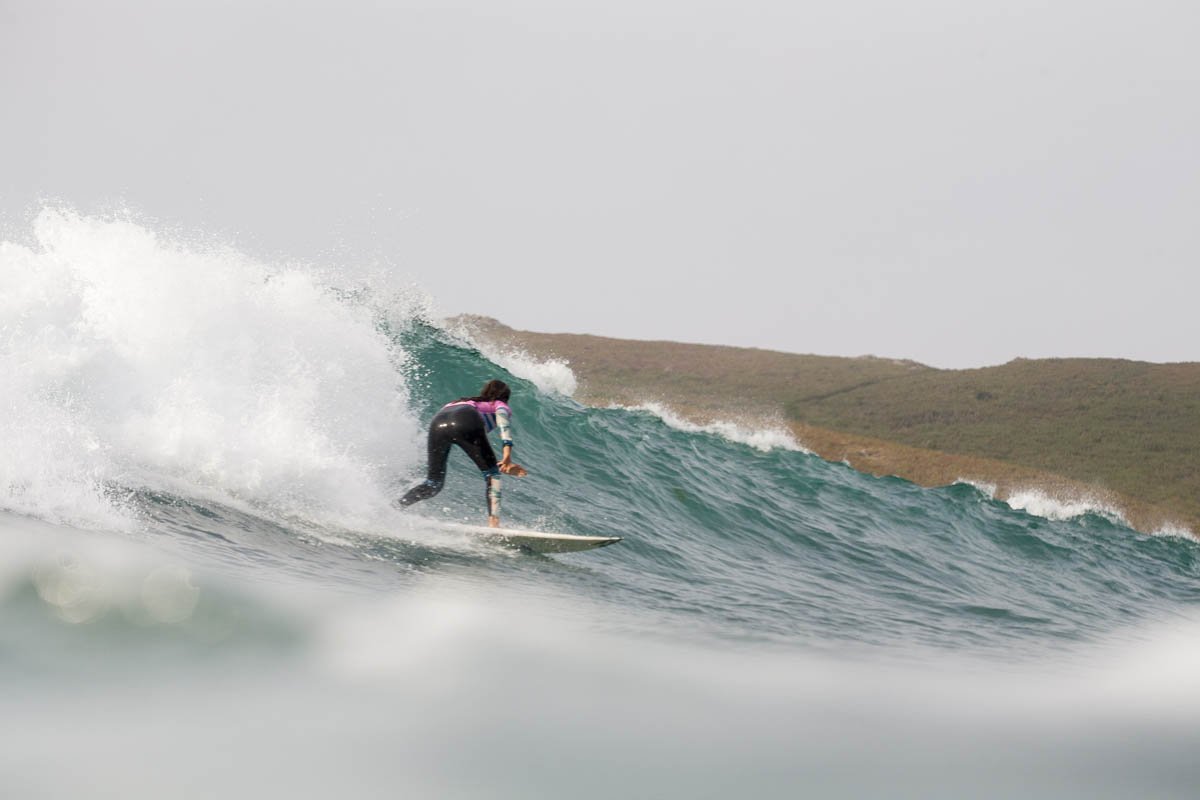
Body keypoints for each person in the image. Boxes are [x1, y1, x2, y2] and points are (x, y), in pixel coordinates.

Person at [397, 379, 528, 528]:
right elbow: (503, 424)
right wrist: (507, 455)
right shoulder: (499, 404)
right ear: (505, 397)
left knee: (433, 483)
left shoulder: (460, 402)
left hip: (437, 424)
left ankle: (397, 506)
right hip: (466, 420)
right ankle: (494, 524)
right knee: (492, 475)